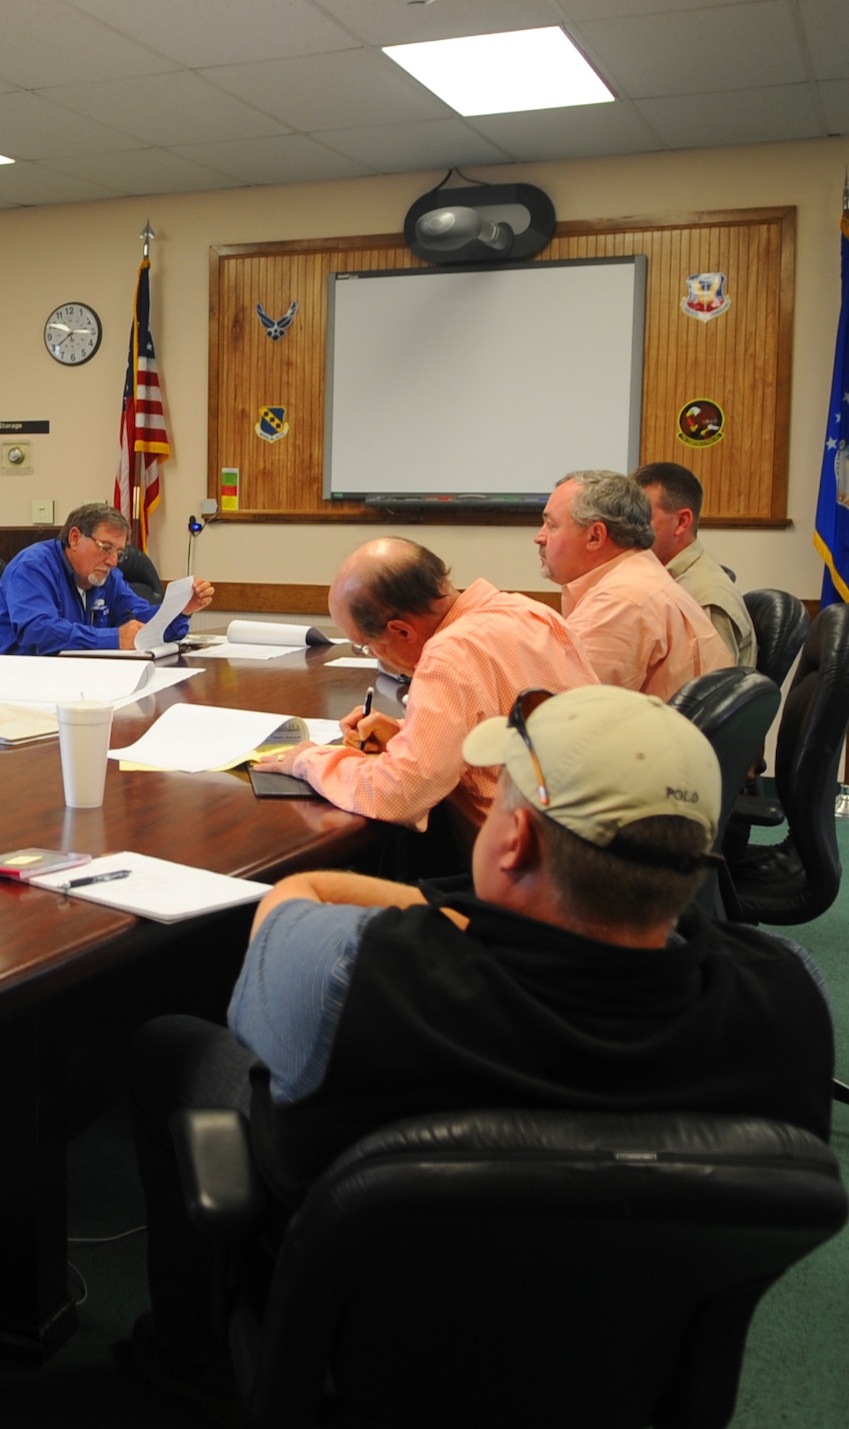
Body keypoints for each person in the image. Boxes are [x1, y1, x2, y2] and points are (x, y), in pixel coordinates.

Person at [127, 684, 834, 1405]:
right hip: (626, 1377)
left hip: (374, 1365)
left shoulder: (357, 978)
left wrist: (437, 910)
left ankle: (186, 1355)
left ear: (516, 839)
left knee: (169, 1048)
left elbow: (289, 907)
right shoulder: (791, 999)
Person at [253, 538, 595, 835]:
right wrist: (409, 732)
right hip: (593, 845)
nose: (372, 655)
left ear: (402, 630)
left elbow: (398, 795)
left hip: (527, 880)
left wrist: (309, 760)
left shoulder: (448, 655)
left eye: (365, 645)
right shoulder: (532, 612)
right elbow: (513, 722)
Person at [534, 470, 731, 698]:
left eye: (551, 525)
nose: (539, 537)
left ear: (595, 537)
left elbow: (556, 710)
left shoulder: (621, 601)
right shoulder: (639, 574)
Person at [0, 502, 213, 655]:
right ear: (75, 537)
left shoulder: (107, 578)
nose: (112, 560)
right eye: (105, 548)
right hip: (7, 682)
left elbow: (144, 624)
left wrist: (180, 610)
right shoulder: (33, 567)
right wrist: (114, 638)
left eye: (118, 553)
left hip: (72, 681)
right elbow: (39, 633)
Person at [636, 460, 757, 668]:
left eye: (641, 518)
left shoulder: (706, 596)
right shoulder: (659, 577)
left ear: (682, 522)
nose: (630, 529)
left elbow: (710, 694)